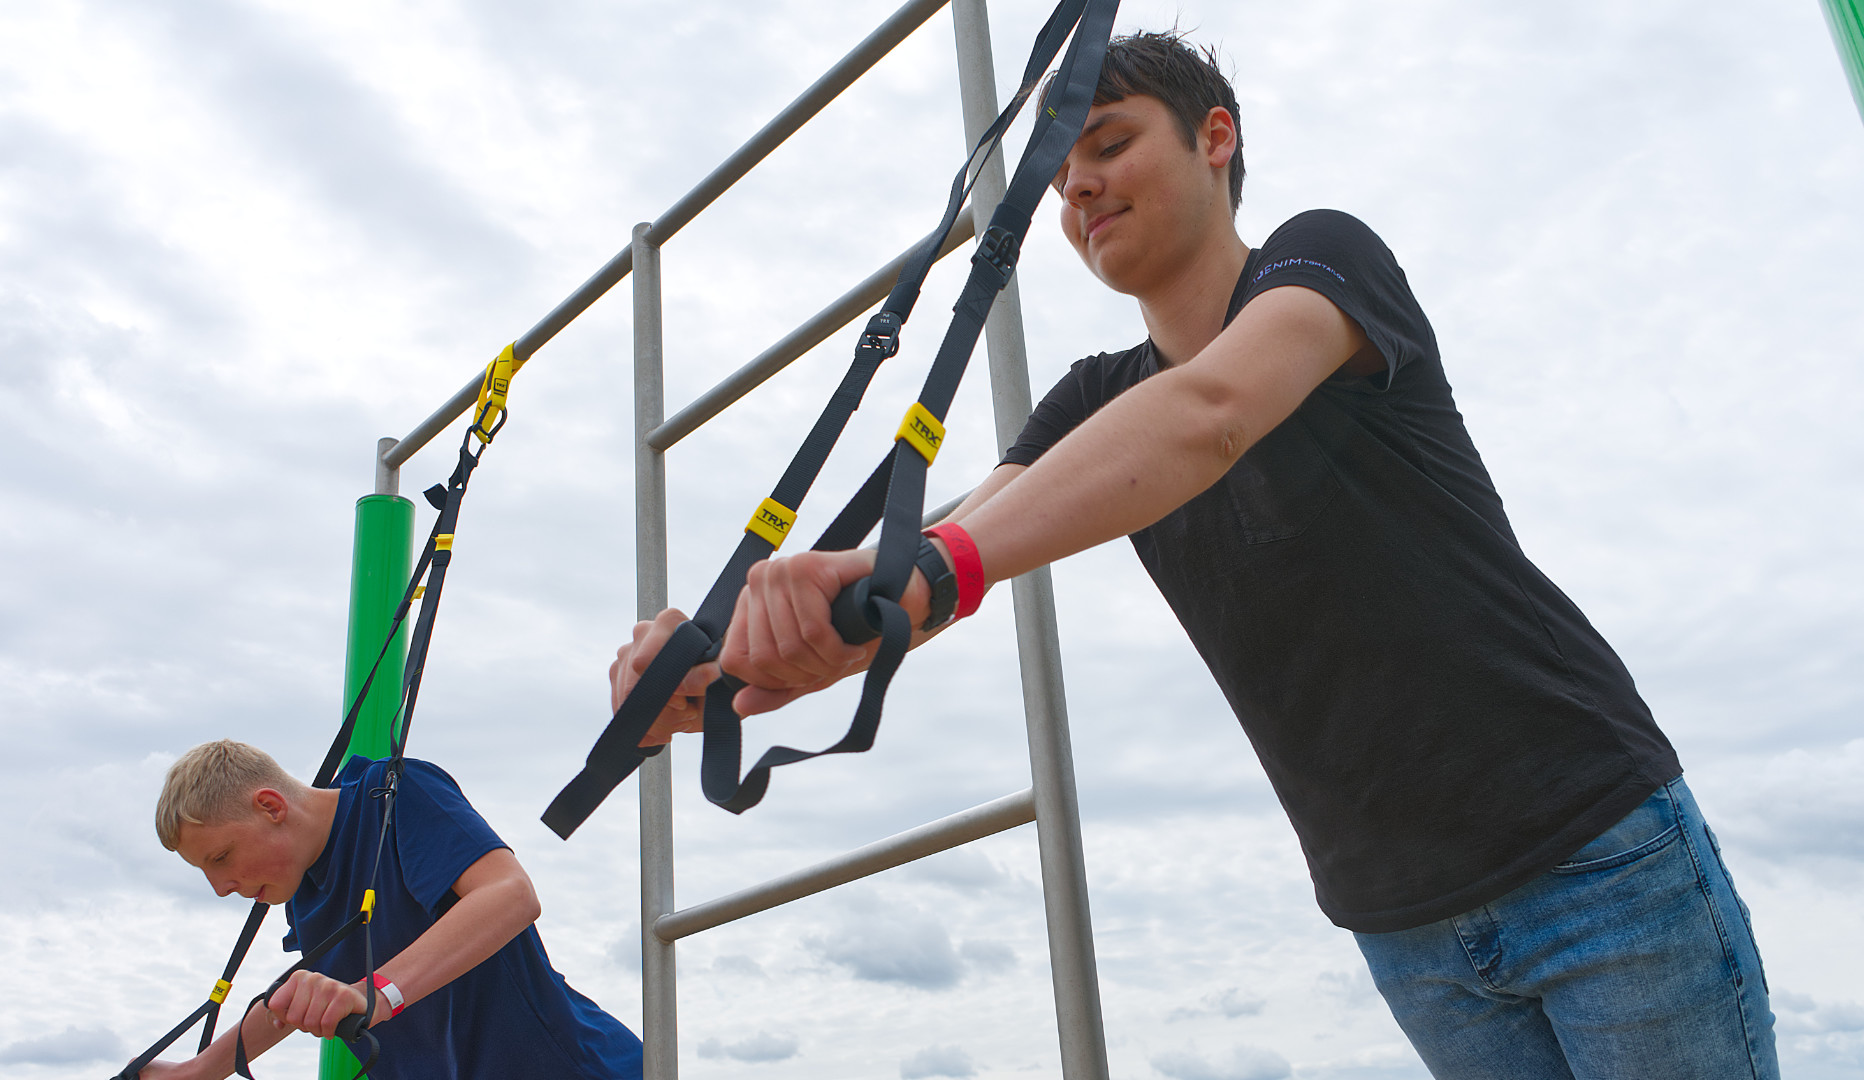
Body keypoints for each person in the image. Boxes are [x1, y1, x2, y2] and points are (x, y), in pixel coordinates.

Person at [613, 31, 1777, 1079]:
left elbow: (1211, 412)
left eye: (1108, 145)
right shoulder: (1088, 402)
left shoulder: (1321, 262)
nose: (1079, 188)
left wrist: (928, 574)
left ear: (1217, 140)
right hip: (1402, 923)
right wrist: (718, 672)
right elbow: (926, 567)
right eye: (1063, 177)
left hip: (1592, 854)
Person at [141, 740, 645, 1080]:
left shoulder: (395, 795)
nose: (221, 888)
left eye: (221, 858)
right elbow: (295, 1005)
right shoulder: (302, 892)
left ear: (272, 807)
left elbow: (511, 895)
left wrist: (378, 993)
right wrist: (194, 1073)